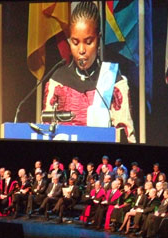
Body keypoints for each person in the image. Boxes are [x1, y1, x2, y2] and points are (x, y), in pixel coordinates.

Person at [42, 1, 136, 143]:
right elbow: (44, 133)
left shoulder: (113, 80)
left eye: (88, 41)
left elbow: (126, 139)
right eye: (75, 42)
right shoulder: (57, 81)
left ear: (98, 39)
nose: (81, 50)